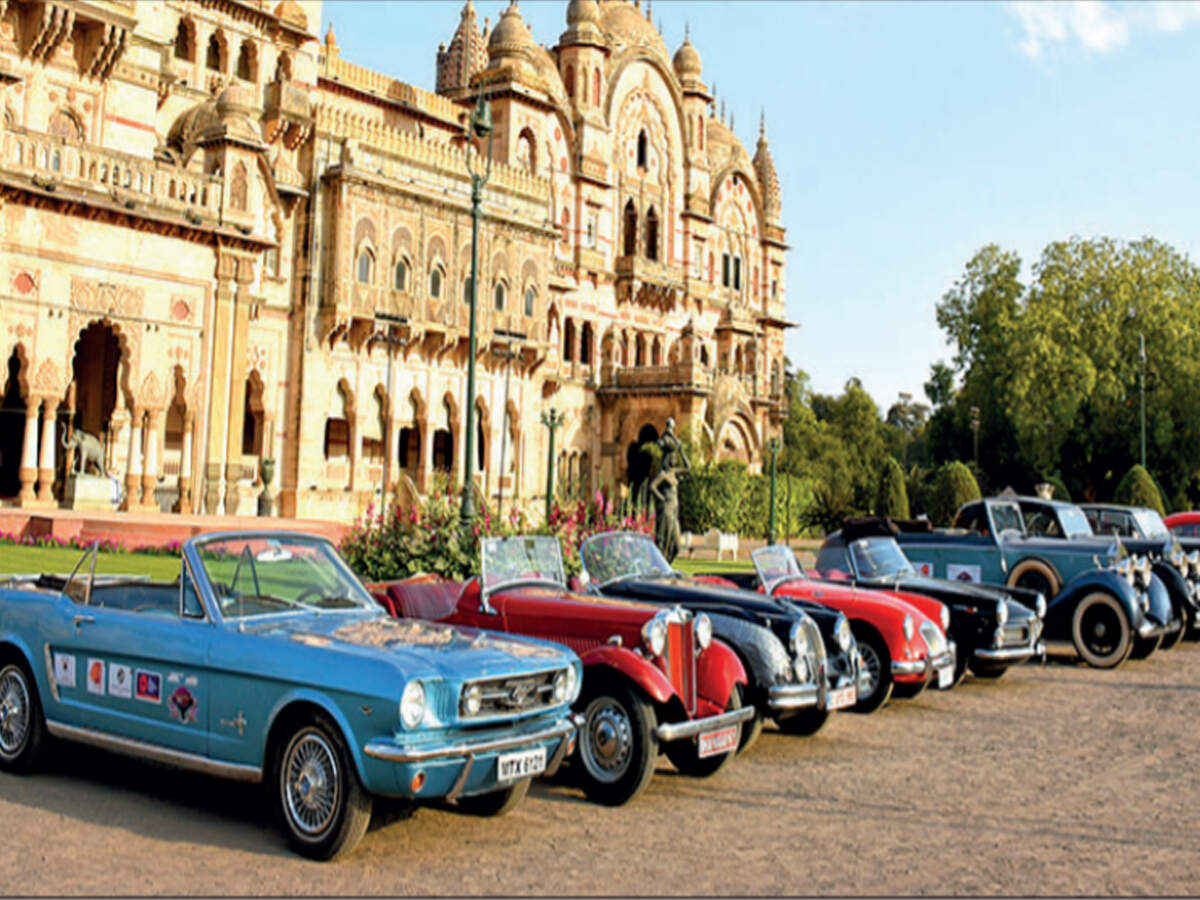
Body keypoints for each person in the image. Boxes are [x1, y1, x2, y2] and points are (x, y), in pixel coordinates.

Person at [649, 418, 690, 563]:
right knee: (662, 541)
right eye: (672, 456)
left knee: (676, 545)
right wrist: (661, 499)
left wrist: (681, 450)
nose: (674, 459)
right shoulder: (664, 474)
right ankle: (660, 566)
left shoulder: (673, 473)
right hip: (666, 508)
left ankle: (667, 566)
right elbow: (652, 487)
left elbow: (688, 468)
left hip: (674, 510)